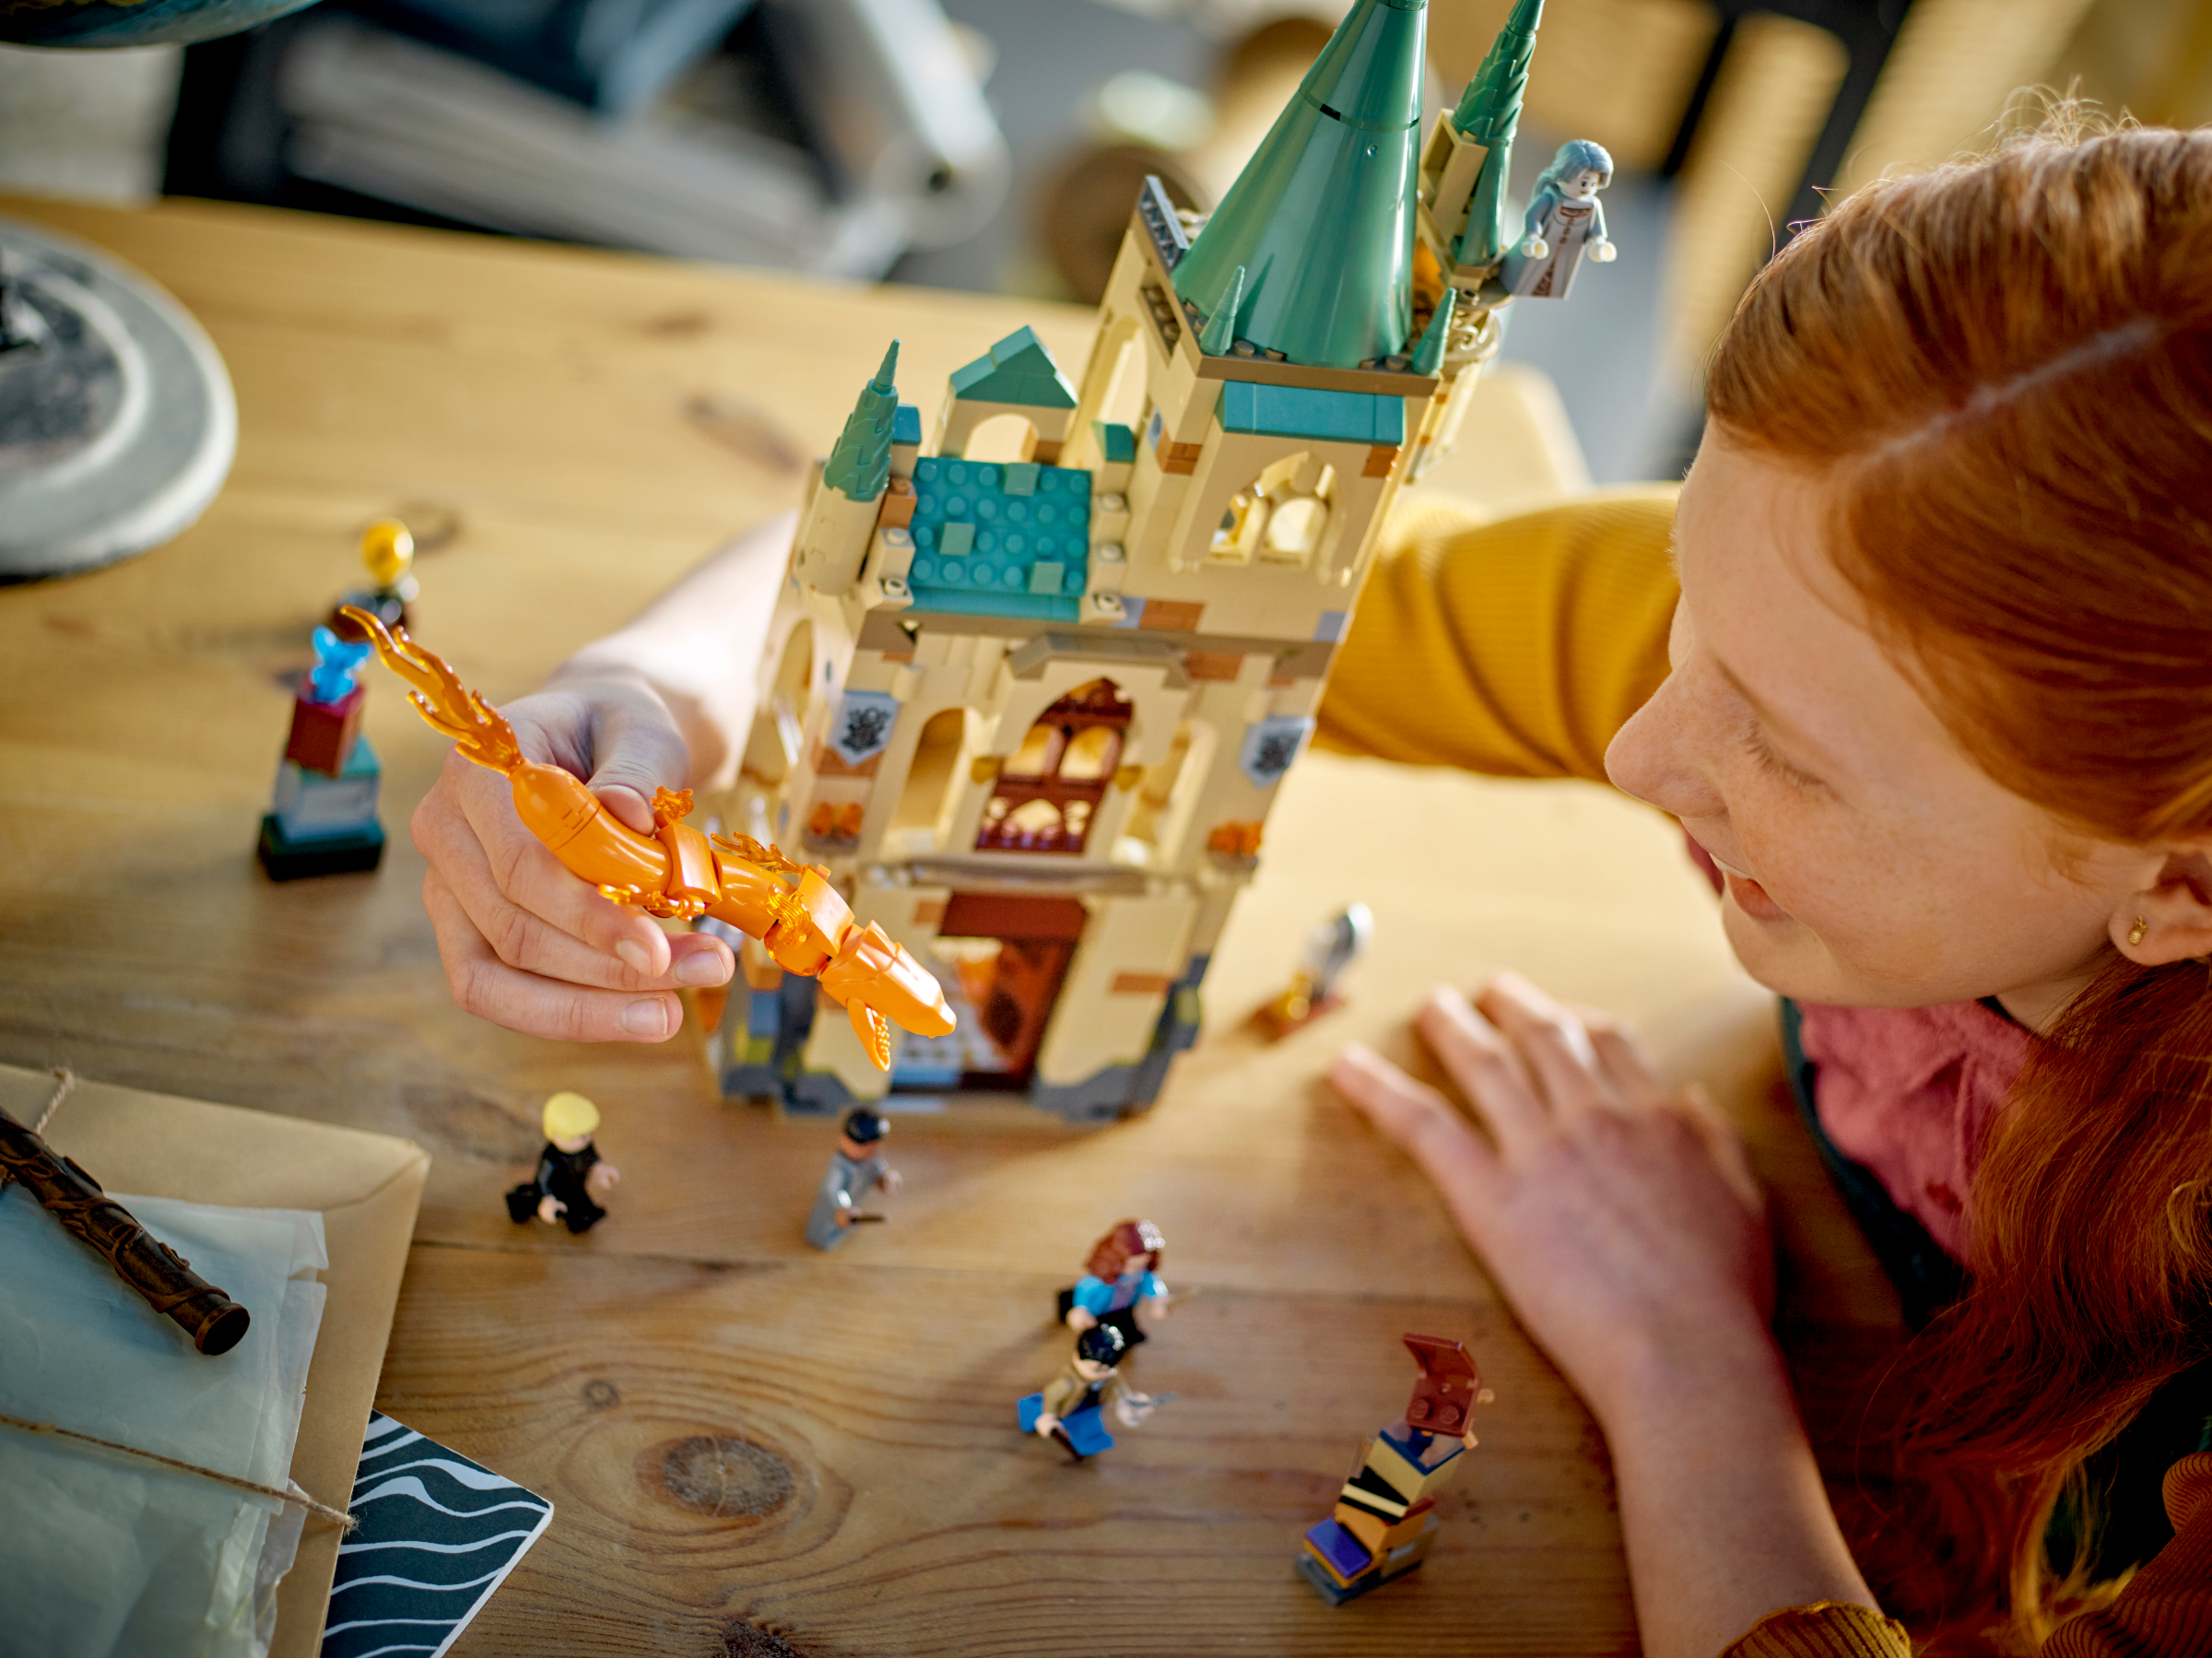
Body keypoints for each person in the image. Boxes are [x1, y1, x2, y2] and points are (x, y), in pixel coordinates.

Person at [404, 114, 2212, 1655]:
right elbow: (1121, 540)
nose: (1636, 748)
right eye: (1687, 602)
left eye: (1790, 756)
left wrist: (1679, 1349)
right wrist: (658, 691)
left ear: (2180, 885)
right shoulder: (1826, 591)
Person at [505, 1090, 619, 1233]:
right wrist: (547, 1199)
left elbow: (593, 1160)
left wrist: (601, 1171)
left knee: (584, 1212)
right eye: (574, 1136)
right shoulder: (552, 1157)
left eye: (586, 1134)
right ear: (555, 1134)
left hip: (576, 1189)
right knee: (530, 1202)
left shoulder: (586, 1148)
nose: (584, 1139)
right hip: (555, 1191)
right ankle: (520, 1203)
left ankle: (580, 1220)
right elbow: (543, 1180)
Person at [1056, 1219, 1169, 1347]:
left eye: (1141, 1265)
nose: (1136, 1271)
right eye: (1132, 1266)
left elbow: (1152, 1283)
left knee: (1128, 1333)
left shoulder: (1141, 1273)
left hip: (1125, 1310)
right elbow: (1084, 1290)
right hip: (1101, 1313)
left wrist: (1159, 1300)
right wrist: (1081, 1309)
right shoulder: (1100, 1280)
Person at [804, 1108, 899, 1250]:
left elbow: (878, 1174)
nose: (871, 1150)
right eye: (862, 1146)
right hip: (834, 1210)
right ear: (844, 1140)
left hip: (851, 1205)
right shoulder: (840, 1168)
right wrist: (843, 1208)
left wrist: (885, 1180)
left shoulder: (871, 1161)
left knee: (846, 1224)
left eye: (874, 1145)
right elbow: (835, 1192)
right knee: (826, 1231)